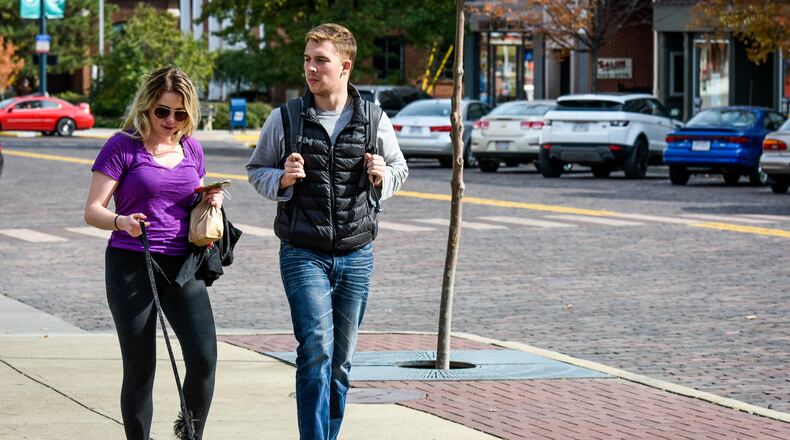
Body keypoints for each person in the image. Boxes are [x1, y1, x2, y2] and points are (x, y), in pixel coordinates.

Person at [246, 23, 408, 440]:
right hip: (303, 251)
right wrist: (282, 179)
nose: (311, 68)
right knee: (315, 349)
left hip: (357, 254)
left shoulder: (373, 118)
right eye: (307, 59)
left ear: (345, 66)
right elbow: (256, 170)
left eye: (321, 60)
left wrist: (380, 178)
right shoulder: (286, 119)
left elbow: (399, 169)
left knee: (341, 361)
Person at [84, 65, 223, 440]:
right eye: (163, 111)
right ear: (147, 107)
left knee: (204, 359)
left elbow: (187, 197)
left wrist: (209, 199)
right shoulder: (122, 145)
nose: (171, 120)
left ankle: (190, 433)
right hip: (132, 261)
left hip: (182, 265)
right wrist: (121, 221)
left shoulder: (191, 146)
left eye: (180, 113)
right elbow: (93, 209)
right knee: (141, 368)